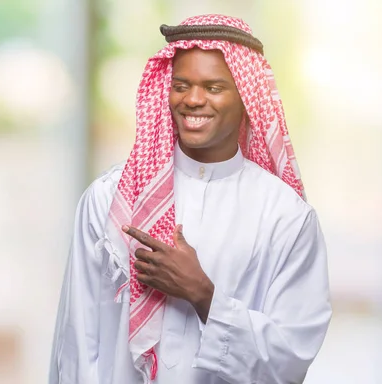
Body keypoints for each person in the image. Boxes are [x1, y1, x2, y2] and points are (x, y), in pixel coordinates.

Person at [49, 14, 331, 384]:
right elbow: (77, 345)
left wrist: (203, 295)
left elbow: (289, 358)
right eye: (182, 85)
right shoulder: (109, 198)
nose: (193, 100)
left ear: (246, 98)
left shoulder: (286, 217)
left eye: (214, 88)